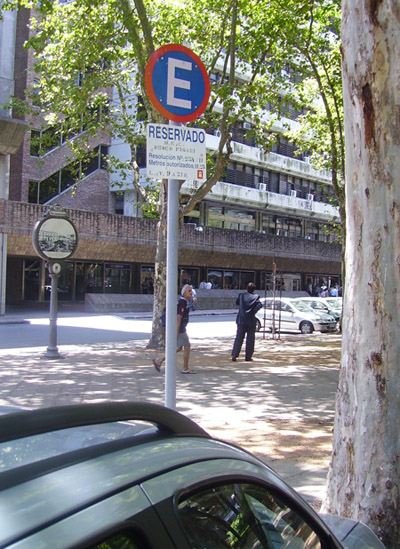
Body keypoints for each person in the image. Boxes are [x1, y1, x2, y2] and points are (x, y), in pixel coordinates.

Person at [152, 284, 195, 374]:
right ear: (184, 293)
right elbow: (178, 318)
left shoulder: (183, 301)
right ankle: (185, 368)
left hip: (180, 328)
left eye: (191, 291)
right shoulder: (182, 303)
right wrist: (176, 332)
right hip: (180, 329)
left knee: (178, 348)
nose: (191, 293)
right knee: (187, 346)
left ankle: (159, 360)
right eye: (189, 291)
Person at [231, 282, 262, 362]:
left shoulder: (241, 295)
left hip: (241, 319)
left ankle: (234, 354)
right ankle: (248, 356)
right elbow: (260, 305)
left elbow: (237, 303)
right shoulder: (256, 297)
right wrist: (253, 311)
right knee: (250, 339)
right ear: (253, 290)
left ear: (246, 288)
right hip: (251, 320)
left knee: (239, 338)